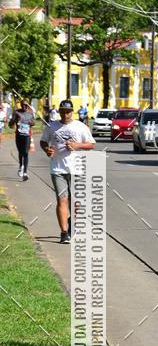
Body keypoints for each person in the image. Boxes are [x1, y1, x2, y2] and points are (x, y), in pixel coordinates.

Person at [40, 98, 96, 244]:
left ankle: (72, 224)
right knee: (62, 200)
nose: (66, 115)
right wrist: (47, 149)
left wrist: (78, 146)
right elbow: (43, 141)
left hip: (77, 169)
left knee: (77, 203)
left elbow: (91, 145)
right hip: (58, 168)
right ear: (59, 111)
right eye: (63, 112)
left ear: (73, 112)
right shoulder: (52, 126)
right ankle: (64, 232)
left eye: (68, 112)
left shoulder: (81, 127)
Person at [9, 98, 35, 180]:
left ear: (28, 105)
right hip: (19, 135)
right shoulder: (16, 112)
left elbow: (33, 122)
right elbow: (10, 124)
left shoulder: (30, 113)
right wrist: (15, 120)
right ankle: (21, 165)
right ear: (20, 104)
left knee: (26, 153)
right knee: (20, 152)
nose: (24, 106)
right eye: (23, 104)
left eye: (26, 105)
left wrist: (31, 123)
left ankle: (25, 173)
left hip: (27, 135)